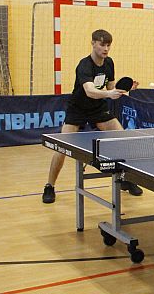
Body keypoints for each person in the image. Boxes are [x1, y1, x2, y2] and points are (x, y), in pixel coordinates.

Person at [42, 29, 141, 203]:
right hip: (78, 108)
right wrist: (109, 94)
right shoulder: (84, 65)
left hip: (98, 108)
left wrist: (125, 89)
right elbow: (90, 91)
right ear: (93, 43)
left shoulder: (109, 63)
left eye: (108, 45)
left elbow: (110, 87)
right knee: (61, 147)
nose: (106, 49)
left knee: (123, 138)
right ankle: (49, 186)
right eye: (102, 45)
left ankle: (126, 179)